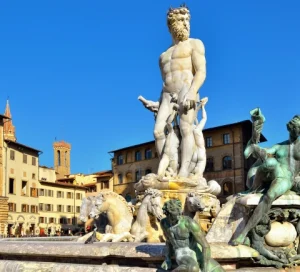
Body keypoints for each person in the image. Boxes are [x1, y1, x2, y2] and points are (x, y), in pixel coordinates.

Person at [143, 4, 206, 178]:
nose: (186, 23)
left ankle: (184, 172)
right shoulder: (163, 56)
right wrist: (156, 103)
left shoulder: (195, 44)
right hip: (167, 96)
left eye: (188, 20)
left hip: (187, 89)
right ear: (172, 24)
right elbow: (166, 82)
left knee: (186, 129)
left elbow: (201, 71)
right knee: (158, 131)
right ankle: (171, 168)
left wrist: (193, 91)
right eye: (181, 20)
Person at [232, 115, 300, 246]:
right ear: (290, 128)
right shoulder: (279, 146)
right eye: (295, 127)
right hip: (277, 172)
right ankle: (253, 190)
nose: (297, 131)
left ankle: (244, 231)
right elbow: (260, 152)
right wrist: (255, 134)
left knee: (270, 195)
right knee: (270, 162)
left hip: (287, 178)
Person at [159, 199, 224, 272]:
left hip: (196, 253)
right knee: (193, 268)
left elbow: (205, 246)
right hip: (183, 253)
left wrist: (205, 267)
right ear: (167, 214)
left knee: (219, 270)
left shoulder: (189, 223)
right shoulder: (164, 223)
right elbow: (168, 241)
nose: (177, 217)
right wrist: (167, 259)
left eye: (178, 214)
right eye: (173, 216)